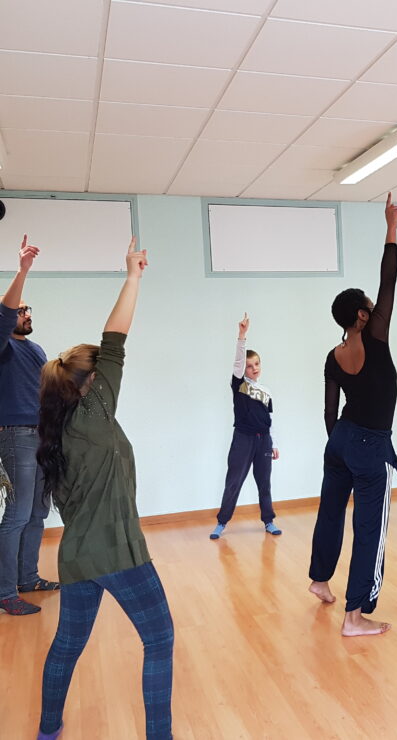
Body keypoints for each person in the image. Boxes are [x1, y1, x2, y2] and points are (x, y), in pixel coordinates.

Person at [36, 238, 174, 740]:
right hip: (117, 552)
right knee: (160, 639)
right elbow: (114, 340)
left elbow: (108, 351)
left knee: (68, 645)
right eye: (104, 372)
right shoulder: (92, 414)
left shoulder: (63, 425)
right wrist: (133, 277)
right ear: (90, 383)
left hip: (77, 556)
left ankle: (48, 730)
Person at [308, 193, 397, 637]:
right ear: (363, 315)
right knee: (370, 529)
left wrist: (339, 445)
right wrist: (391, 228)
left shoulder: (334, 353)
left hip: (340, 439)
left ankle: (320, 581)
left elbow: (330, 410)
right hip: (367, 445)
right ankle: (354, 616)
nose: (376, 306)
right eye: (370, 305)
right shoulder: (376, 338)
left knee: (330, 512)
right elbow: (390, 280)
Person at [0, 235, 59, 617]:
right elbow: (3, 316)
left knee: (37, 513)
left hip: (41, 437)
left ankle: (27, 577)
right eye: (21, 310)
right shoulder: (3, 343)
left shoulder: (35, 350)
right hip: (16, 436)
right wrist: (22, 271)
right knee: (18, 514)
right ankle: (5, 593)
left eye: (28, 309)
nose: (26, 314)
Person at [210, 313, 281, 540]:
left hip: (264, 440)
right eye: (249, 366)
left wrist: (275, 443)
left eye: (257, 364)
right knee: (234, 481)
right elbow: (239, 362)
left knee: (264, 482)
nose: (253, 368)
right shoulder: (239, 385)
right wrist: (242, 336)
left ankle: (269, 521)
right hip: (243, 438)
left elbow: (270, 420)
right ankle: (222, 522)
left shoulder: (266, 391)